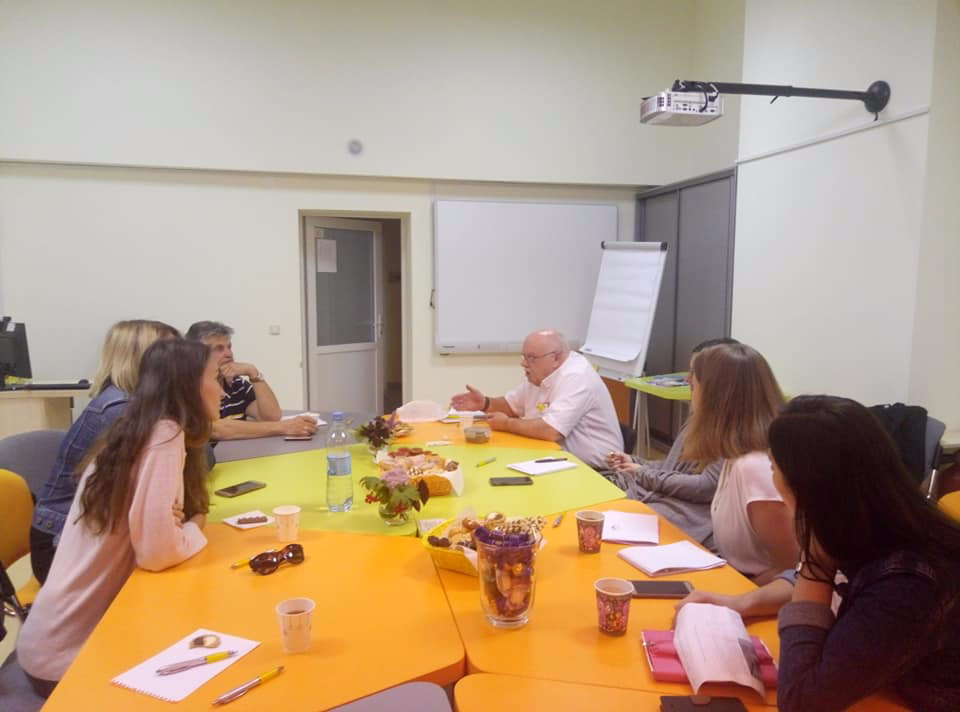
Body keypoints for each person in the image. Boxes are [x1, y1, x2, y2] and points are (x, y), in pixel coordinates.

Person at [16, 338, 220, 697]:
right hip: (69, 659)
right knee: (211, 663)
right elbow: (158, 553)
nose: (221, 389)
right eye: (215, 377)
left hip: (48, 642)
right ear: (189, 385)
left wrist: (174, 525)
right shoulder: (165, 434)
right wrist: (194, 525)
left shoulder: (135, 430)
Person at [771, 396, 960, 711]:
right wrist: (745, 602)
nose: (772, 478)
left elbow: (802, 701)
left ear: (806, 488)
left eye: (773, 466)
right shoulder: (885, 524)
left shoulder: (908, 581)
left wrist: (814, 562)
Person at [29, 319, 180, 584]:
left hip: (95, 529)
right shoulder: (119, 409)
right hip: (62, 542)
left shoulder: (138, 404)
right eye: (168, 352)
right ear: (142, 358)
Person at [603, 337, 739, 550]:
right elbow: (673, 466)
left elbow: (704, 487)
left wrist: (641, 472)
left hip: (684, 519)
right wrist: (635, 462)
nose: (688, 379)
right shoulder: (701, 418)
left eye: (695, 373)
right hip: (662, 503)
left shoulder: (734, 432)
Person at [683, 342, 797, 583]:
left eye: (694, 387)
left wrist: (734, 599)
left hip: (761, 597)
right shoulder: (735, 455)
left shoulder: (754, 467)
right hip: (739, 582)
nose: (690, 392)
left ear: (715, 399)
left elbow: (791, 570)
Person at [450, 330, 622, 469]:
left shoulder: (576, 376)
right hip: (556, 459)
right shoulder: (540, 374)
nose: (523, 364)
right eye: (523, 357)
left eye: (531, 358)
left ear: (555, 357)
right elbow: (512, 405)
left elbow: (551, 430)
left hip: (596, 470)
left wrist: (507, 424)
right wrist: (485, 403)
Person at [185, 320, 317, 440]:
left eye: (229, 347)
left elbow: (271, 417)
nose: (229, 354)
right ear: (197, 354)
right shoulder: (189, 387)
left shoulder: (237, 383)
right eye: (219, 349)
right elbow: (215, 429)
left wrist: (253, 372)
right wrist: (284, 427)